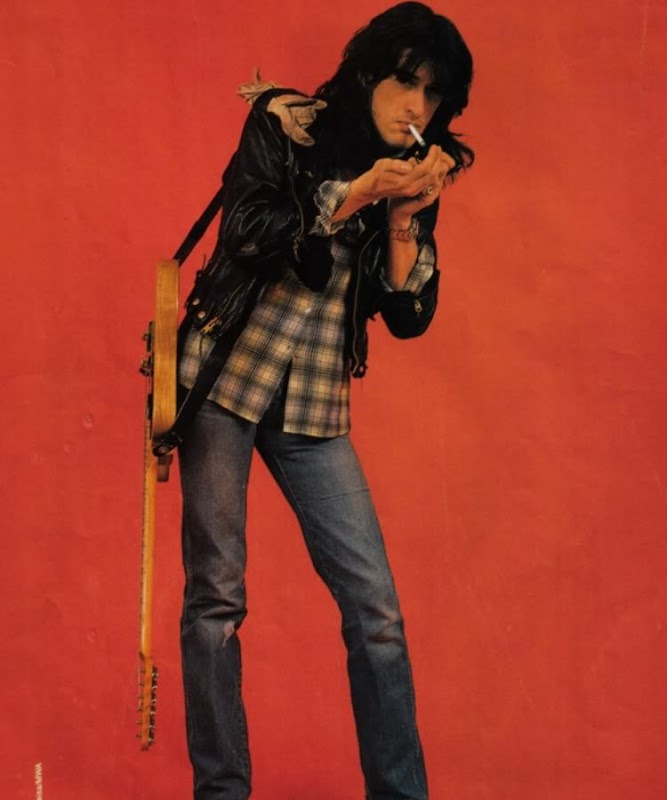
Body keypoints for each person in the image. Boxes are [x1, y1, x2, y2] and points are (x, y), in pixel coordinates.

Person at [175, 3, 474, 798]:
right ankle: (222, 792)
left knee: (375, 610)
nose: (417, 107)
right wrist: (351, 194)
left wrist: (401, 218)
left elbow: (405, 314)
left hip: (312, 402)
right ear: (368, 72)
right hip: (224, 380)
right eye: (406, 82)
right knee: (216, 599)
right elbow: (246, 228)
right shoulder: (285, 125)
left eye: (434, 95)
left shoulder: (414, 168)